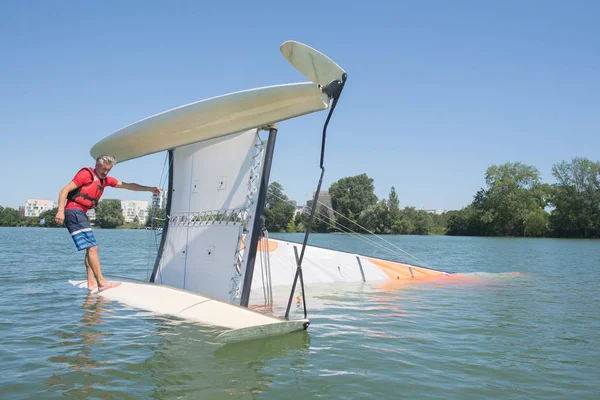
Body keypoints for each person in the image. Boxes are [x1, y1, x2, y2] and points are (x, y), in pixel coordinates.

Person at [55, 155, 161, 292]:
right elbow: (64, 190)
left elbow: (128, 186)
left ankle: (91, 282)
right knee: (93, 247)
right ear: (97, 165)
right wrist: (60, 211)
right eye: (104, 169)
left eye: (108, 170)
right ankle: (101, 283)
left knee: (90, 247)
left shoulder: (105, 181)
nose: (105, 172)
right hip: (73, 211)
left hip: (80, 213)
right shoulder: (86, 174)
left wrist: (150, 188)